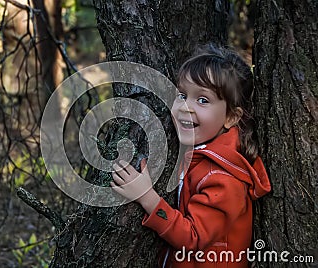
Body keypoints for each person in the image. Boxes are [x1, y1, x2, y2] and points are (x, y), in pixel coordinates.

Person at [110, 44, 272, 267]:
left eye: (203, 100)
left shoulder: (223, 178)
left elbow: (193, 238)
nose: (185, 107)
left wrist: (146, 196)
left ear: (231, 118)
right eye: (182, 95)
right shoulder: (198, 152)